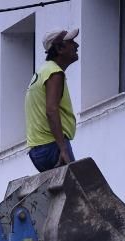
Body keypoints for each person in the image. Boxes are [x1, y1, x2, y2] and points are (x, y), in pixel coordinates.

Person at [24, 28, 80, 172]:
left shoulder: (42, 72)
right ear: (59, 48)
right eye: (71, 42)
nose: (76, 45)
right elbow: (51, 110)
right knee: (77, 184)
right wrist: (63, 148)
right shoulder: (54, 72)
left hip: (38, 150)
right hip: (52, 146)